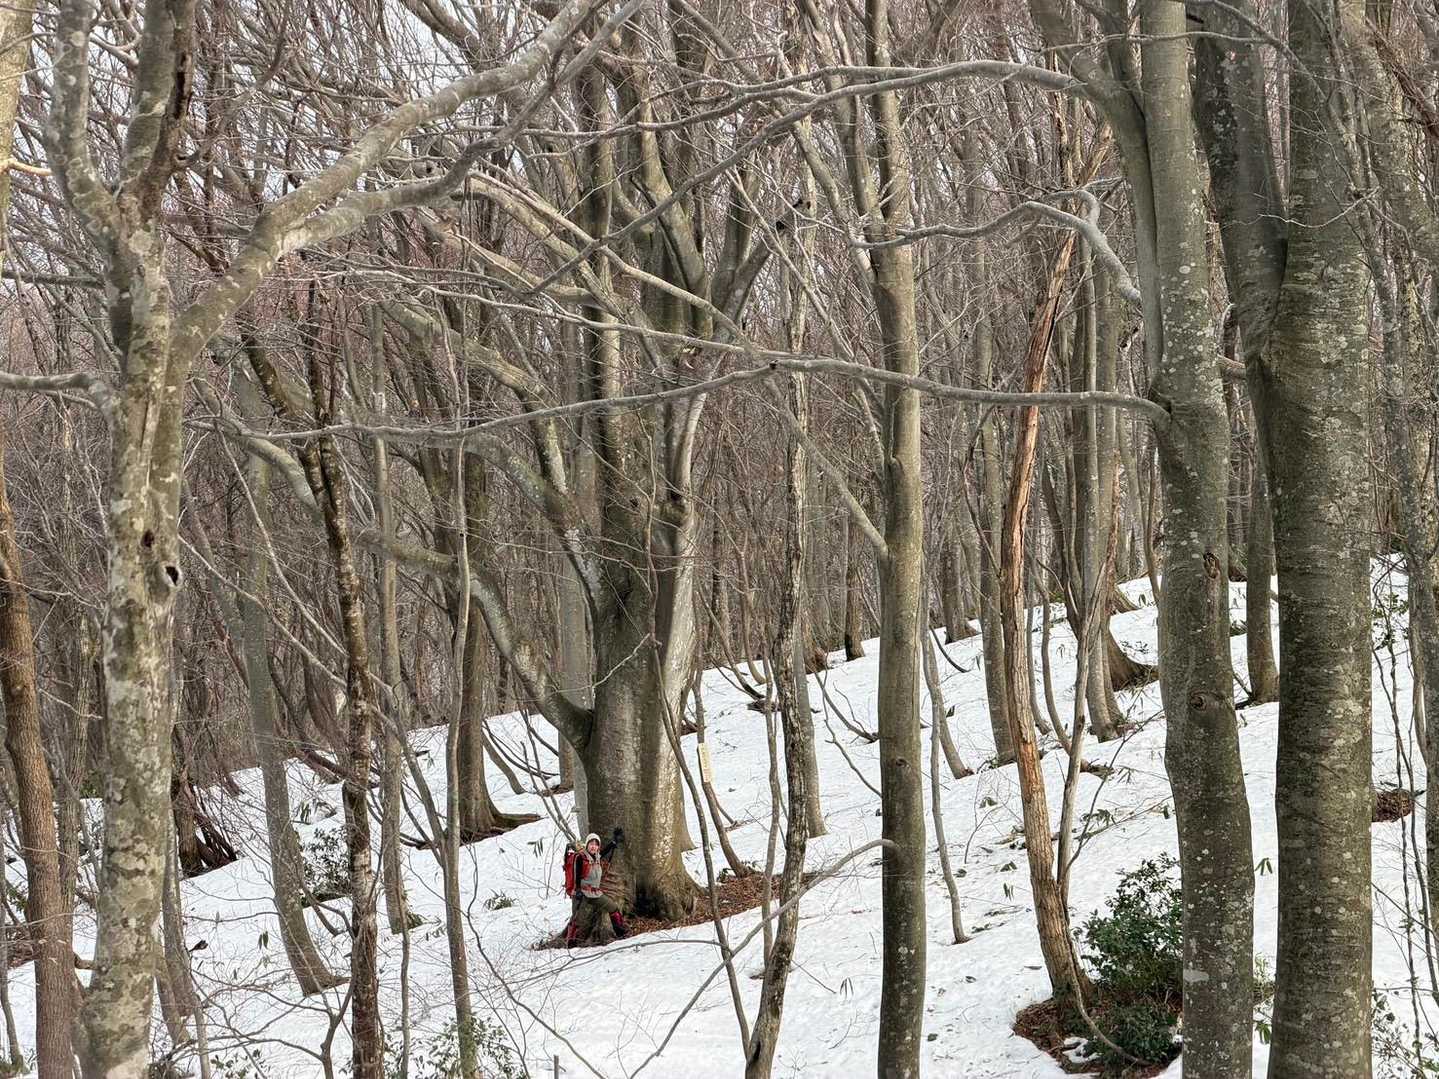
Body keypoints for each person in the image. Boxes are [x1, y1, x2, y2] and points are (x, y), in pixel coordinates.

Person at [564, 827, 626, 946]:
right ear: (587, 845)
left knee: (613, 908)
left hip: (595, 893)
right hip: (581, 894)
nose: (593, 847)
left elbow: (604, 852)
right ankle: (570, 944)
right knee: (576, 919)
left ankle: (621, 934)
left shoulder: (597, 857)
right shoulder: (580, 857)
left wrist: (613, 842)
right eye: (591, 844)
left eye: (596, 844)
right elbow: (576, 875)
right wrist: (577, 890)